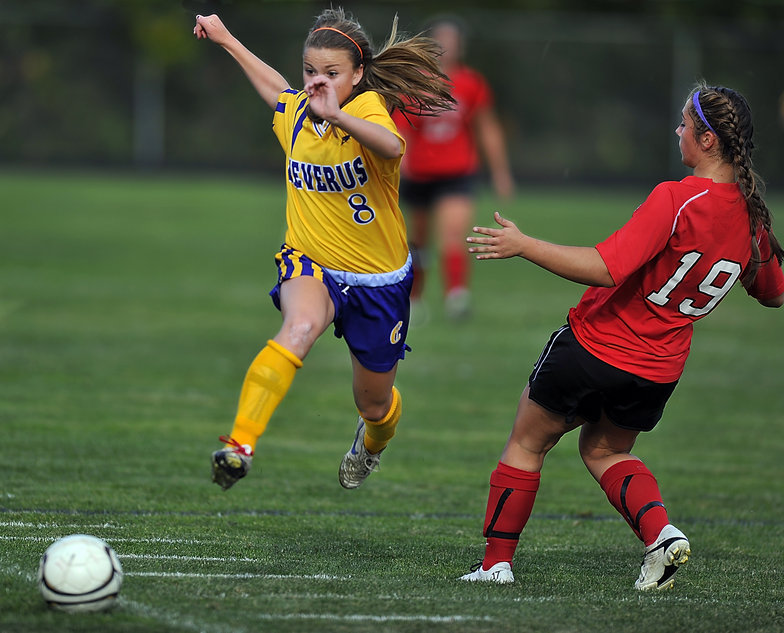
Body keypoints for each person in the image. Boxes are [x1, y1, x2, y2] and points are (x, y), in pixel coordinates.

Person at [462, 83, 784, 590]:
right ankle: (661, 534)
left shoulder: (677, 196)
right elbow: (773, 293)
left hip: (594, 346)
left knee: (526, 444)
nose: (677, 131)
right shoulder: (751, 217)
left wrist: (524, 244)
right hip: (657, 371)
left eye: (684, 124)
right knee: (607, 452)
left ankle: (494, 565)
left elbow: (604, 268)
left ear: (707, 141)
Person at [192, 9, 454, 491]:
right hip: (311, 262)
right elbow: (276, 90)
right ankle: (239, 445)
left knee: (375, 405)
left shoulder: (367, 108)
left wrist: (337, 114)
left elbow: (393, 147)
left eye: (332, 75)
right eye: (311, 72)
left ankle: (371, 444)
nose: (318, 83)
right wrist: (227, 37)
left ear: (356, 75)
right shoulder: (297, 115)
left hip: (380, 280)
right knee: (301, 325)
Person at [393, 16, 514, 321]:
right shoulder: (414, 81)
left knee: (452, 233)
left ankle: (456, 297)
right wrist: (401, 160)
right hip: (419, 172)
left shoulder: (471, 82)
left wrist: (500, 172)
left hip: (457, 171)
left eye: (452, 40)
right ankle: (414, 298)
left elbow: (487, 128)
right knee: (419, 240)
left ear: (461, 45)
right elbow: (399, 127)